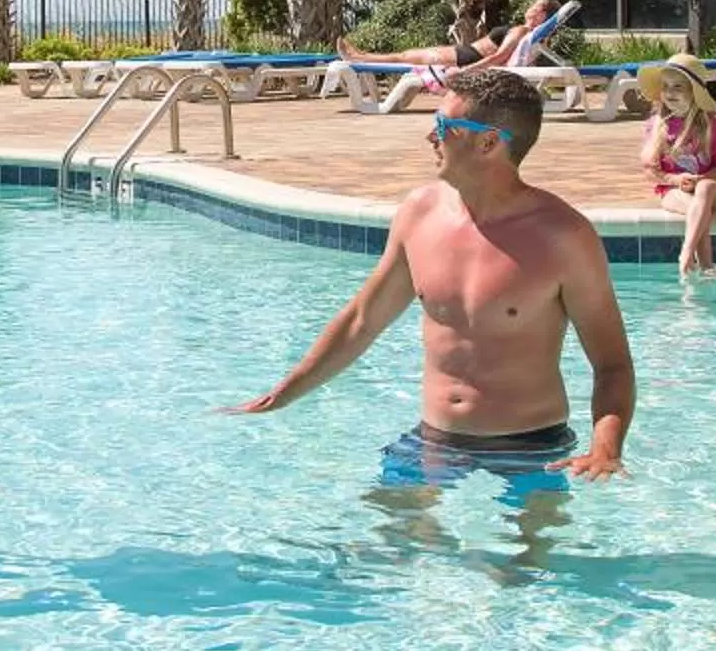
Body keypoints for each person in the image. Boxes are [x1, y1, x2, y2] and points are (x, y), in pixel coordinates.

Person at [227, 65, 633, 497]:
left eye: (443, 125)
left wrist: (605, 448)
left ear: (488, 142)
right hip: (435, 439)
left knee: (526, 565)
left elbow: (612, 365)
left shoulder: (563, 237)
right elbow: (363, 320)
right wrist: (282, 395)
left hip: (532, 445)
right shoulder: (419, 213)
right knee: (385, 545)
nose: (430, 136)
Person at [638, 53, 716, 273]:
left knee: (706, 189)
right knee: (697, 210)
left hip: (705, 191)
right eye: (666, 86)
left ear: (693, 92)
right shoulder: (657, 125)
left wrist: (701, 179)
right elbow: (650, 171)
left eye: (678, 86)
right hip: (672, 192)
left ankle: (687, 254)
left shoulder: (709, 125)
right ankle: (705, 264)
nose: (670, 92)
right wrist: (676, 179)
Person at [337, 0, 554, 70]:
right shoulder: (526, 33)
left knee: (405, 57)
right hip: (465, 53)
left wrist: (467, 70)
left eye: (536, 6)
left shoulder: (520, 31)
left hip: (466, 57)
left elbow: (498, 57)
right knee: (406, 55)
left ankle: (357, 57)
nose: (531, 7)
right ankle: (360, 55)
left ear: (542, 16)